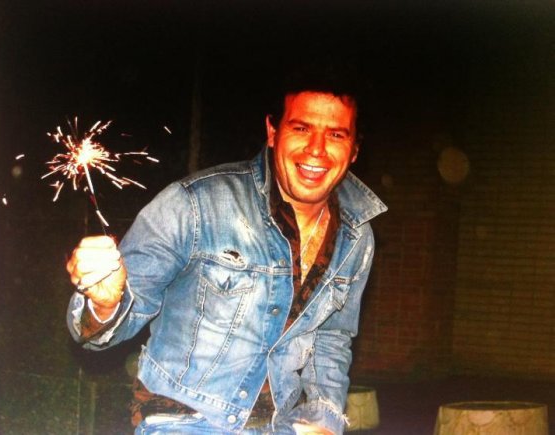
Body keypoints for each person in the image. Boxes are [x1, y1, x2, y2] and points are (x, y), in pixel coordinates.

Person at [66, 65, 387, 434]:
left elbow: (333, 340)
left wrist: (324, 419)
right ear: (273, 132)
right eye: (301, 128)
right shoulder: (194, 204)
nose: (316, 149)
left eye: (335, 134)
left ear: (354, 149)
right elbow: (102, 329)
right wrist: (104, 304)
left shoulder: (357, 236)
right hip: (182, 422)